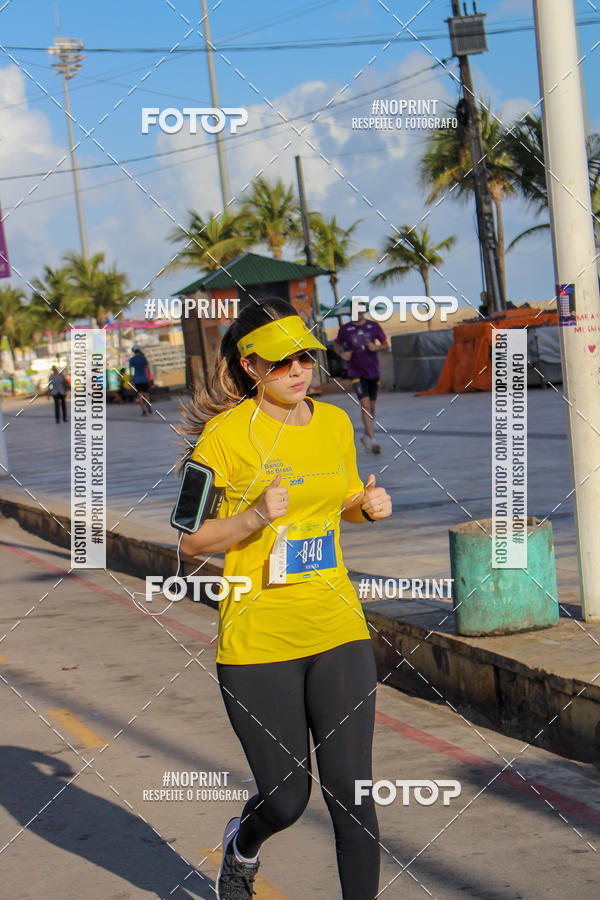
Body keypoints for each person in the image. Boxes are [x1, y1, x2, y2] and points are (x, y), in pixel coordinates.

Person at [176, 298, 392, 900]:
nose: (299, 369)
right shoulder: (223, 438)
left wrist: (366, 508)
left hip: (336, 624)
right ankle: (242, 845)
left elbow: (345, 496)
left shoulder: (334, 423)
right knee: (286, 797)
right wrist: (250, 517)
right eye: (282, 362)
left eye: (305, 356)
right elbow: (191, 541)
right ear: (251, 367)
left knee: (353, 797)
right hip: (258, 636)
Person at [334, 309, 389, 454]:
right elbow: (337, 345)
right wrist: (342, 354)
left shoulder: (373, 326)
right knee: (365, 405)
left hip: (373, 371)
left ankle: (366, 435)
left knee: (372, 406)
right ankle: (373, 440)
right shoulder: (345, 329)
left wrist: (376, 347)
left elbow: (385, 345)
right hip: (355, 372)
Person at [128, 347, 152, 416]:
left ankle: (143, 411)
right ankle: (148, 405)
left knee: (140, 396)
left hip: (137, 380)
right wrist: (149, 378)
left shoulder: (132, 360)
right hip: (144, 378)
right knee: (146, 394)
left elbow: (131, 371)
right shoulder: (143, 358)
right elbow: (148, 368)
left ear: (133, 352)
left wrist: (131, 380)